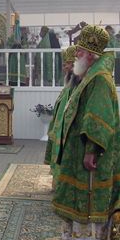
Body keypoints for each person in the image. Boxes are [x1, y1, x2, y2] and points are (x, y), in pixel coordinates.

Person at [52, 25, 120, 240]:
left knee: (90, 197)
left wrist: (91, 150)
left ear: (91, 55)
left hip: (91, 154)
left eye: (80, 52)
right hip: (79, 149)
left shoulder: (100, 79)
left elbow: (98, 118)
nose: (76, 56)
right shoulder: (90, 75)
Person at [44, 46, 79, 186]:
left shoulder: (78, 83)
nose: (64, 67)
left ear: (74, 64)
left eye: (66, 64)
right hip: (60, 127)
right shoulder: (69, 82)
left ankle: (63, 183)